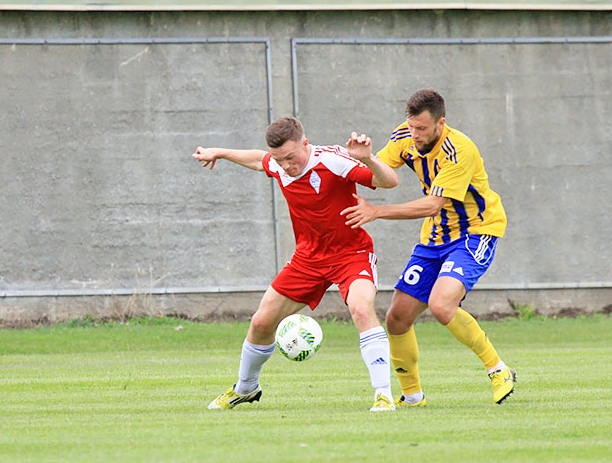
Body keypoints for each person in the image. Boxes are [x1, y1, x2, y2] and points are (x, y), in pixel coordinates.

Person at [193, 116, 401, 411]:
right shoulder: (278, 163)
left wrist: (369, 160)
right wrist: (221, 152)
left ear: (305, 143)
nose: (286, 165)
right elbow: (258, 160)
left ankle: (383, 395)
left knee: (360, 308)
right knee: (262, 322)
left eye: (291, 157)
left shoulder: (333, 161)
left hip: (350, 253)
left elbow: (389, 181)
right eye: (280, 159)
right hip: (308, 258)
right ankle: (246, 388)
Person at [342, 88, 516, 406]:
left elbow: (432, 205)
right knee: (397, 317)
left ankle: (498, 370)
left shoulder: (458, 150)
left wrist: (376, 212)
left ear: (440, 123)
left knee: (441, 305)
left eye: (422, 128)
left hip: (475, 232)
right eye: (412, 127)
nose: (415, 134)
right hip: (435, 238)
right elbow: (381, 175)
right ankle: (412, 396)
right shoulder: (405, 136)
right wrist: (366, 158)